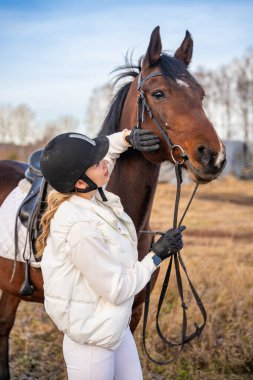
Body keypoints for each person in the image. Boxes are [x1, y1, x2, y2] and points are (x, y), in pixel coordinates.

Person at [37, 128, 186, 380]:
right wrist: (156, 255)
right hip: (92, 340)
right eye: (97, 163)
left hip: (114, 326)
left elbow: (108, 155)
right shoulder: (79, 227)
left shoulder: (90, 196)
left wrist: (127, 138)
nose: (105, 164)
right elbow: (117, 288)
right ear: (81, 182)